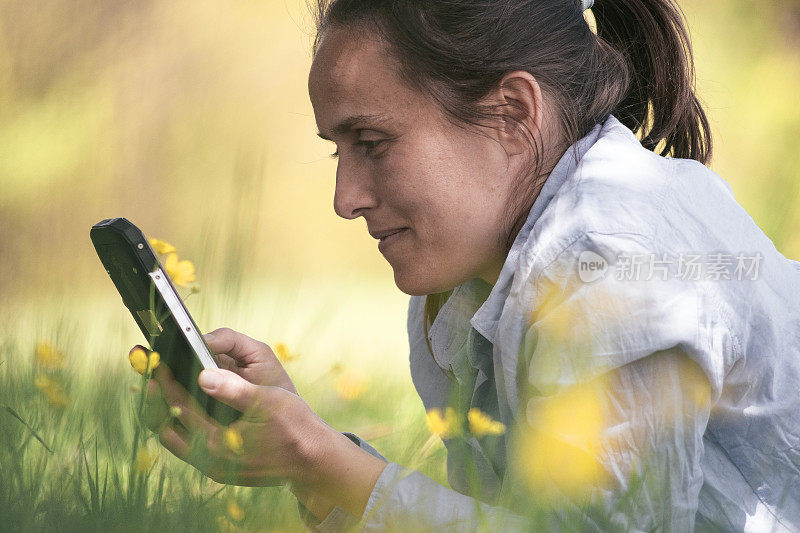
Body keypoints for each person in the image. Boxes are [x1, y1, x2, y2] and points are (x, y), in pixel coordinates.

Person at [132, 0, 800, 531]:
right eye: (340, 151)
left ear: (513, 113)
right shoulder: (466, 291)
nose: (344, 199)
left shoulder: (611, 262)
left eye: (372, 141)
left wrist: (336, 469)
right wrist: (312, 457)